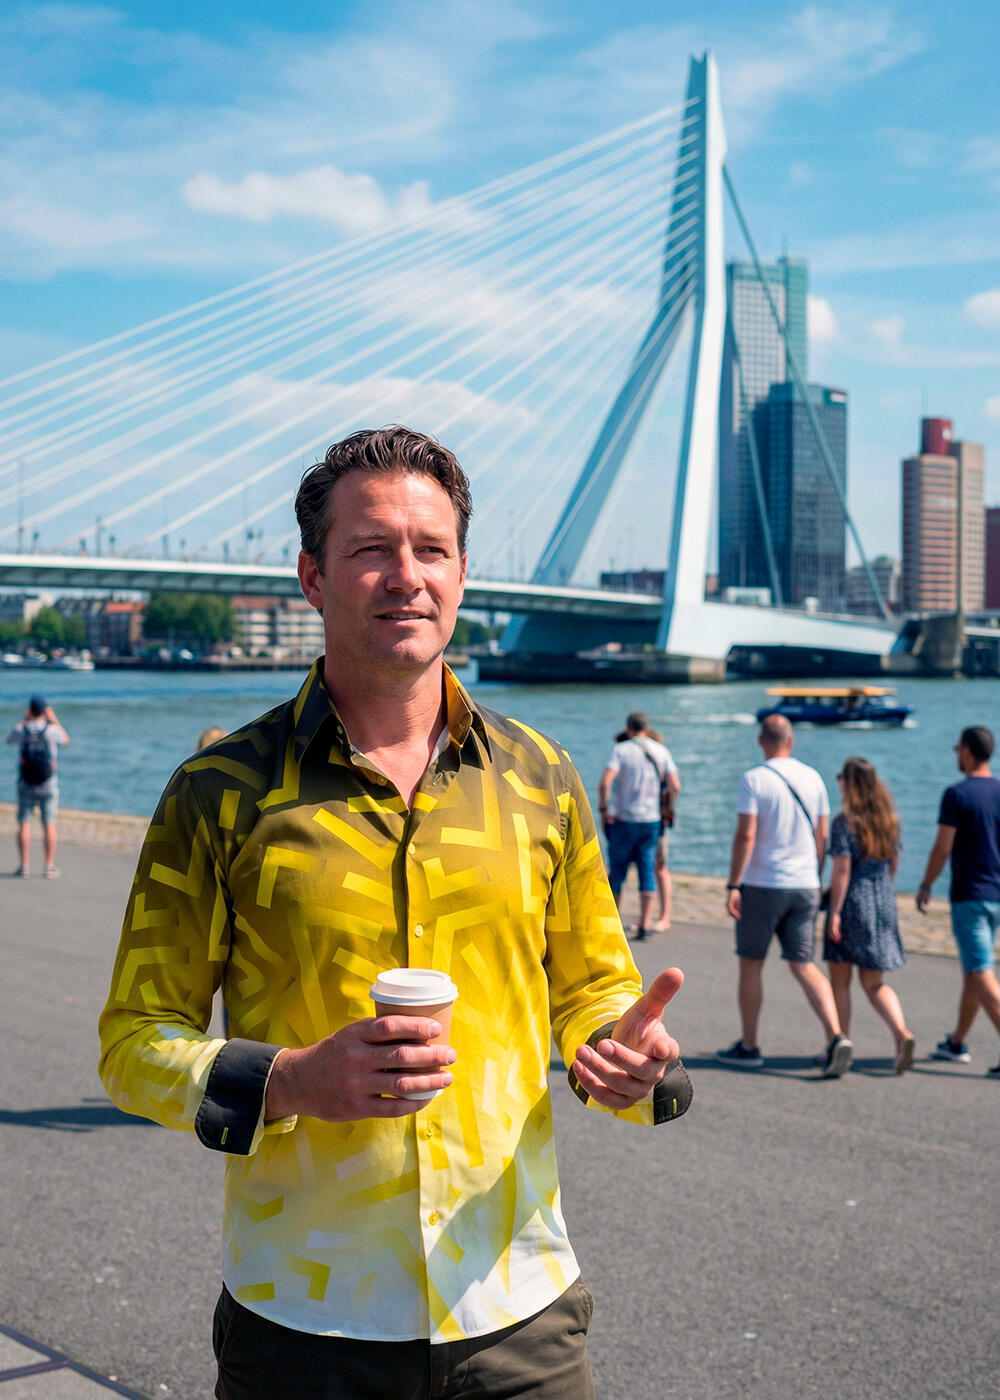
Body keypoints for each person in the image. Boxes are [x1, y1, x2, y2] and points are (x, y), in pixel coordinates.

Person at [99, 426, 693, 1400]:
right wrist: (290, 1079)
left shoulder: (540, 777)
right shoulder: (219, 792)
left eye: (431, 549)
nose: (404, 575)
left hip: (518, 1312)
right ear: (312, 576)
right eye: (370, 548)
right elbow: (132, 1042)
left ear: (464, 573)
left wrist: (621, 1060)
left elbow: (594, 990)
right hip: (301, 1323)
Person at [718, 714, 852, 1077]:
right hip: (805, 883)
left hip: (764, 884)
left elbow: (746, 835)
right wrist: (815, 873)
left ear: (761, 741)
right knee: (804, 964)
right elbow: (822, 835)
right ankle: (836, 1036)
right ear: (791, 741)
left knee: (751, 965)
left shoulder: (754, 779)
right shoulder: (814, 778)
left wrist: (734, 884)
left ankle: (749, 1046)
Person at [917, 725, 1000, 1076]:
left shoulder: (957, 794)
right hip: (996, 894)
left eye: (956, 749)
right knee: (972, 970)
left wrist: (925, 884)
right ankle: (957, 1042)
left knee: (981, 972)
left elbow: (942, 847)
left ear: (966, 751)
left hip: (970, 895)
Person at [824, 758, 915, 1074]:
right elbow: (893, 865)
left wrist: (834, 913)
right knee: (874, 982)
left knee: (840, 982)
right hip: (882, 899)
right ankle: (901, 1034)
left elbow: (842, 870)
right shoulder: (889, 820)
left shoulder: (845, 822)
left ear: (849, 783)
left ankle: (841, 1043)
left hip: (852, 901)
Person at [598, 712, 680, 940]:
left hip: (624, 819)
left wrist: (604, 810)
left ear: (628, 727)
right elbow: (675, 785)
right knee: (647, 869)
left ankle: (613, 921)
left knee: (617, 872)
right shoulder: (660, 750)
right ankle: (645, 922)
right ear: (646, 727)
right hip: (651, 820)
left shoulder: (621, 750)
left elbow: (605, 782)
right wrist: (668, 807)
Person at [6, 694, 69, 878]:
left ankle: (24, 866)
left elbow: (8, 739)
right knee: (49, 824)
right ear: (45, 711)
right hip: (48, 784)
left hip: (25, 783)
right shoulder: (52, 730)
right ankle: (48, 867)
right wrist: (54, 719)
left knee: (24, 822)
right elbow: (66, 741)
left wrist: (25, 719)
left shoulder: (21, 729)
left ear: (30, 710)